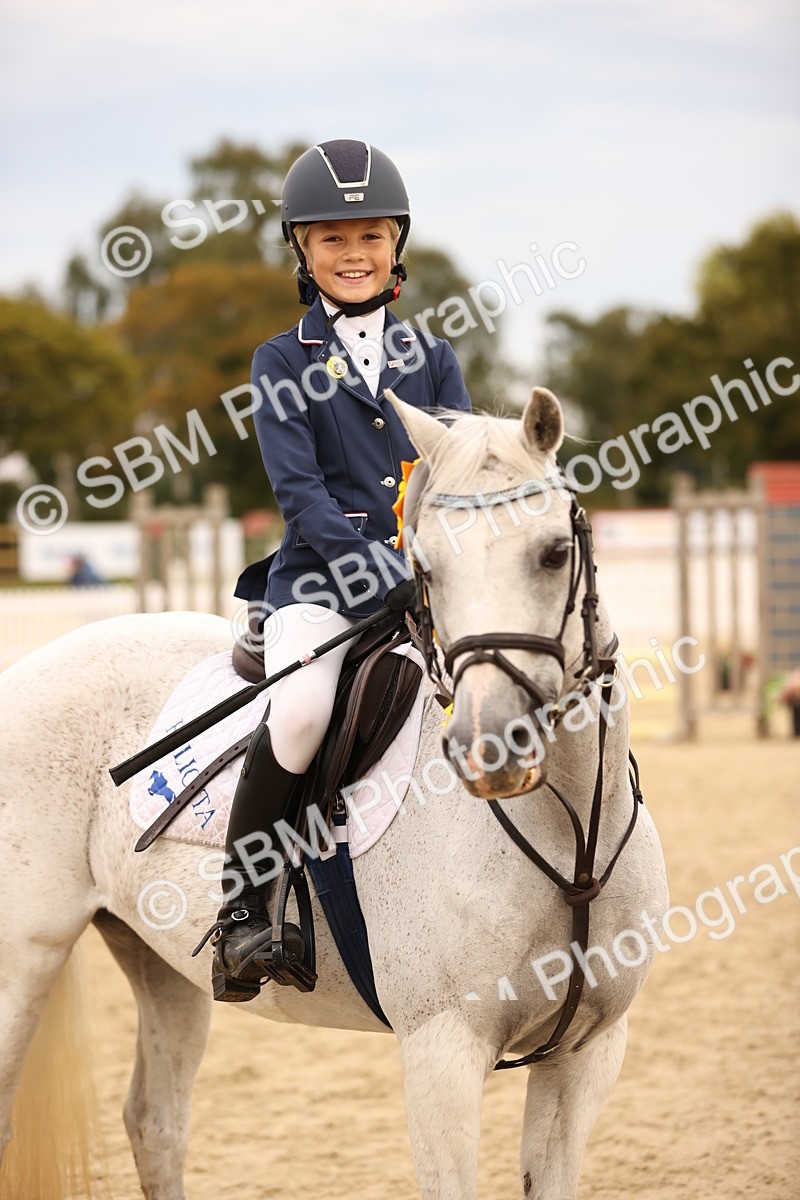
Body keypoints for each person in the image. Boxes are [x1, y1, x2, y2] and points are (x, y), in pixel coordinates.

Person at [201, 139, 471, 1002]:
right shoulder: (279, 361)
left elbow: (454, 478)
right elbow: (302, 497)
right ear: (302, 252)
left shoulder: (434, 359)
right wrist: (378, 569)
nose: (353, 255)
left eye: (369, 237)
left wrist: (430, 563)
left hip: (420, 584)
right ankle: (245, 913)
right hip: (319, 586)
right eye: (331, 240)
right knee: (306, 705)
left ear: (397, 245)